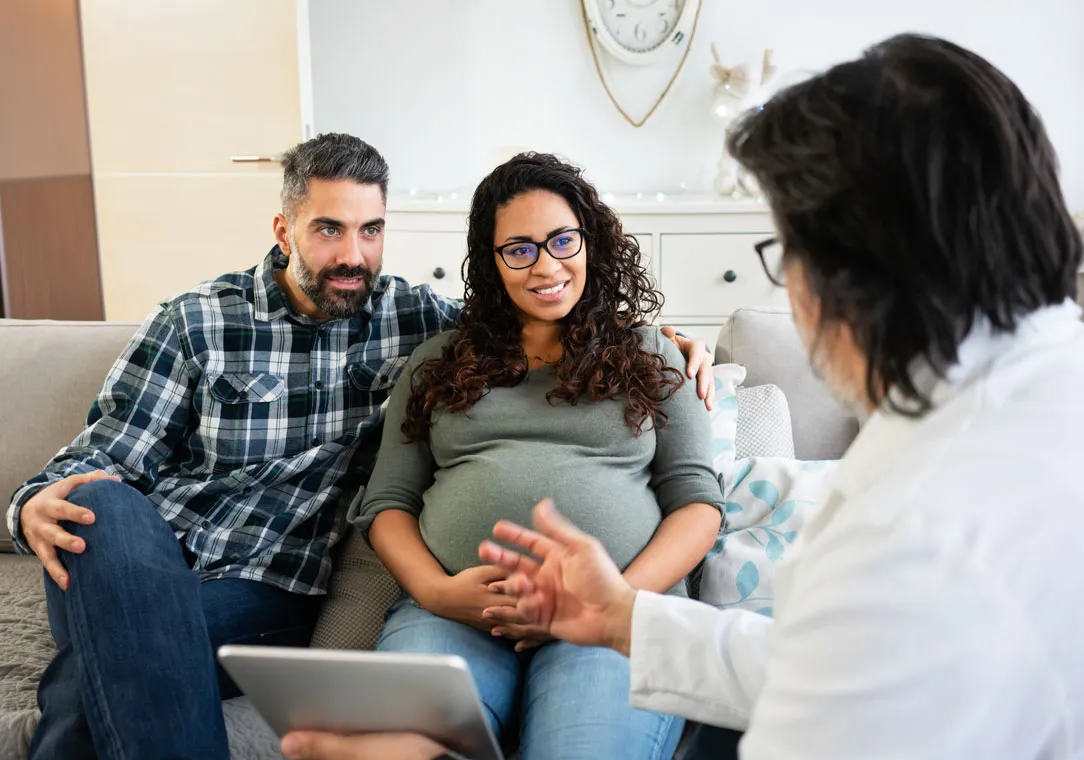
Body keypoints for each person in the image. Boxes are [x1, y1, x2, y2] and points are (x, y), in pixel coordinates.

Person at [281, 32, 1084, 760]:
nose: (793, 295)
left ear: (872, 264)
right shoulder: (979, 418)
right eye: (518, 250)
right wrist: (616, 616)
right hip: (494, 616)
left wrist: (625, 604)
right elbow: (816, 666)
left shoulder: (920, 515)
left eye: (786, 252)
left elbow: (824, 695)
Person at [5, 134, 715, 759]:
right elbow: (104, 455)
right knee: (102, 505)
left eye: (371, 230)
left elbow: (543, 304)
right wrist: (33, 504)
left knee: (91, 673)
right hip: (160, 561)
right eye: (329, 230)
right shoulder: (199, 323)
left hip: (270, 588)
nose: (353, 255)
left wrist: (671, 343)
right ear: (283, 229)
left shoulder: (417, 322)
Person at [348, 152, 725, 760]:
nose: (545, 265)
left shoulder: (653, 356)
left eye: (561, 240)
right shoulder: (437, 362)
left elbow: (699, 505)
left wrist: (612, 601)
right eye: (519, 249)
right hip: (454, 618)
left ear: (591, 242)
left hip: (612, 623)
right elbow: (387, 503)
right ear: (492, 263)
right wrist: (439, 594)